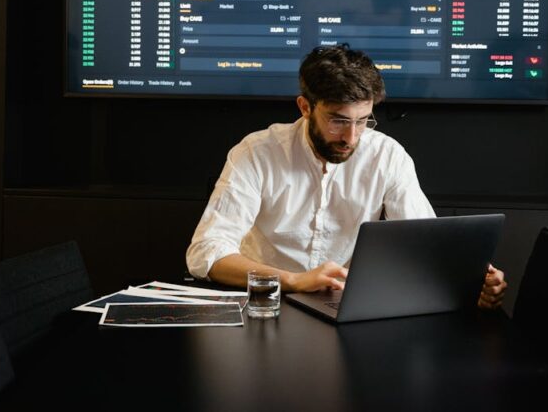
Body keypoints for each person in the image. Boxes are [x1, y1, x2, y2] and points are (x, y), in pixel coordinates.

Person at [185, 44, 507, 309]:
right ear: (305, 107)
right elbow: (206, 253)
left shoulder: (387, 156)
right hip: (265, 306)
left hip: (345, 309)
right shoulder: (256, 153)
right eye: (337, 121)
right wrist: (294, 279)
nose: (351, 138)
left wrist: (472, 285)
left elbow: (430, 248)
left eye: (363, 121)